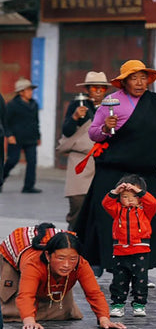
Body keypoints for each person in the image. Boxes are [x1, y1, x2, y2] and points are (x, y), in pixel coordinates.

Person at [74, 60, 156, 277]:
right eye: (134, 78)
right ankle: (111, 264)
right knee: (109, 218)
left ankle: (143, 267)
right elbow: (94, 133)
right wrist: (105, 127)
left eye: (143, 78)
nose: (140, 83)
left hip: (148, 172)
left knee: (151, 218)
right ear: (123, 82)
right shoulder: (110, 101)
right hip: (114, 170)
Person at [0, 224, 126, 329]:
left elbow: (94, 293)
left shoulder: (81, 264)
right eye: (60, 258)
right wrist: (29, 321)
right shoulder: (33, 264)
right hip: (14, 257)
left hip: (53, 281)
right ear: (48, 256)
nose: (66, 265)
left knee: (65, 311)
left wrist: (104, 319)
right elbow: (26, 295)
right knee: (10, 309)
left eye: (72, 259)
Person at [60, 71, 111, 230]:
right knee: (78, 203)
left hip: (103, 160)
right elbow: (67, 131)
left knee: (101, 206)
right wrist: (75, 117)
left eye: (101, 88)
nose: (97, 91)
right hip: (81, 160)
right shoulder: (78, 104)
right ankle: (73, 240)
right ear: (87, 89)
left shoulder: (110, 106)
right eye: (94, 88)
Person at [102, 174, 156, 318]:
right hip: (121, 250)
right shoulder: (117, 211)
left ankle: (139, 304)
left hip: (140, 249)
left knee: (140, 279)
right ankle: (117, 305)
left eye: (134, 196)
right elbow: (106, 204)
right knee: (119, 280)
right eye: (125, 197)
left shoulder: (145, 211)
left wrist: (138, 190)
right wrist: (115, 191)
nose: (130, 200)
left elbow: (152, 202)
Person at [3, 78, 42, 193]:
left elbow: (36, 121)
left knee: (32, 162)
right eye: (28, 90)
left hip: (31, 138)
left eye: (31, 90)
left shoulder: (34, 104)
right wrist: (9, 135)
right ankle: (1, 179)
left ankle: (28, 186)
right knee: (12, 161)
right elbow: (6, 122)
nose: (31, 92)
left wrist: (38, 136)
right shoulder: (12, 105)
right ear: (21, 92)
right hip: (16, 138)